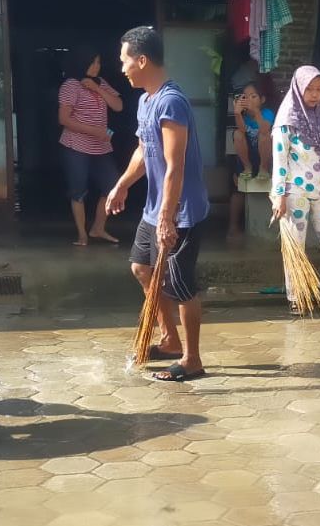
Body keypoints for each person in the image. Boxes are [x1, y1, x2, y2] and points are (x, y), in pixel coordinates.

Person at [107, 25, 210, 382]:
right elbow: (143, 150)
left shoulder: (171, 101)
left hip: (181, 211)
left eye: (124, 61)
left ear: (142, 60)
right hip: (156, 208)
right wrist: (122, 184)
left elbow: (174, 165)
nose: (121, 69)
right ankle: (168, 339)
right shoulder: (146, 100)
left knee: (179, 285)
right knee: (141, 267)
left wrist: (167, 219)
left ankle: (192, 359)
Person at [271, 65, 320, 314]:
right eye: (310, 90)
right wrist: (279, 196)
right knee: (296, 246)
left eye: (319, 90)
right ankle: (298, 298)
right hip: (295, 191)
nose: (315, 95)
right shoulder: (287, 121)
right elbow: (280, 160)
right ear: (298, 89)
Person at [58, 46, 124, 246]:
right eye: (92, 62)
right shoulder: (71, 85)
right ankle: (82, 235)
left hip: (100, 147)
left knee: (112, 185)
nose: (96, 66)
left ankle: (97, 228)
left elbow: (118, 106)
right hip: (75, 145)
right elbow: (64, 119)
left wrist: (97, 89)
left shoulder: (101, 83)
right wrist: (94, 131)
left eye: (98, 62)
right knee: (78, 190)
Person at [228, 82, 276, 241]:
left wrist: (256, 112)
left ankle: (263, 169)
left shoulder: (267, 113)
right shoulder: (243, 116)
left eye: (253, 96)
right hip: (247, 158)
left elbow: (264, 129)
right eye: (245, 97)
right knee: (237, 135)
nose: (249, 99)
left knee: (264, 135)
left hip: (265, 158)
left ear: (262, 99)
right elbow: (241, 131)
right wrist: (237, 114)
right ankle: (233, 227)